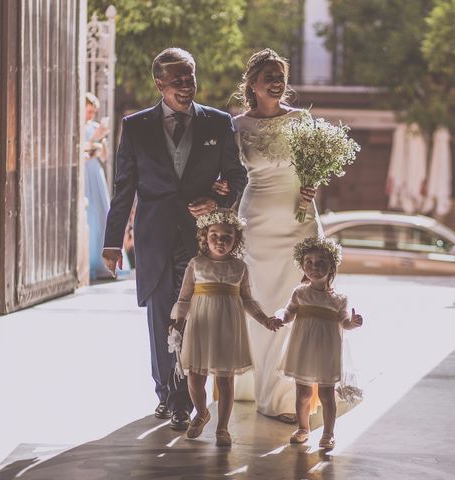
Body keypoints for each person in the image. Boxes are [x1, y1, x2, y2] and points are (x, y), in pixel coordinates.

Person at [102, 48, 248, 431]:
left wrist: (217, 199)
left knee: (191, 316)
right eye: (178, 80)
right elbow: (124, 188)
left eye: (191, 78)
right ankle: (165, 392)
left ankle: (182, 398)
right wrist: (112, 242)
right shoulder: (135, 126)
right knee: (161, 316)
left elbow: (237, 175)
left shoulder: (218, 123)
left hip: (199, 239)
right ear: (160, 84)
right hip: (154, 236)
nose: (187, 86)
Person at [216, 48, 322, 422]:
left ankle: (291, 393)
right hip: (257, 225)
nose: (277, 82)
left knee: (302, 304)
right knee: (258, 304)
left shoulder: (303, 120)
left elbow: (314, 170)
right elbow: (228, 177)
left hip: (299, 222)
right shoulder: (237, 126)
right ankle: (256, 386)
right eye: (269, 77)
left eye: (281, 76)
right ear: (253, 85)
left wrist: (311, 187)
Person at [170, 209, 281, 446]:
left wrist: (264, 319)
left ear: (236, 239)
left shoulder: (239, 267)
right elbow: (184, 298)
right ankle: (201, 411)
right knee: (196, 376)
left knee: (225, 378)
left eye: (227, 236)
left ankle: (222, 427)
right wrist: (178, 324)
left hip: (228, 328)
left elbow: (248, 300)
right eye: (214, 235)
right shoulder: (196, 264)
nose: (220, 241)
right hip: (200, 326)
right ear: (204, 237)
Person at [277, 235, 363, 448]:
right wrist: (279, 318)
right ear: (302, 265)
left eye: (320, 262)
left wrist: (353, 322)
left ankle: (328, 433)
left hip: (327, 351)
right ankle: (303, 427)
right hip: (303, 349)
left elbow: (344, 323)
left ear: (331, 266)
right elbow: (288, 313)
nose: (314, 267)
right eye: (309, 263)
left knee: (326, 394)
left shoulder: (338, 299)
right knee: (303, 393)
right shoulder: (299, 293)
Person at [83, 93, 124, 279]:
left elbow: (104, 157)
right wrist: (93, 139)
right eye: (89, 111)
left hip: (95, 171)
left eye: (94, 112)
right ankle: (87, 262)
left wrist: (102, 143)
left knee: (101, 215)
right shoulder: (79, 127)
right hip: (84, 173)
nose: (92, 115)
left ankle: (105, 263)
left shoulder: (93, 127)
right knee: (88, 215)